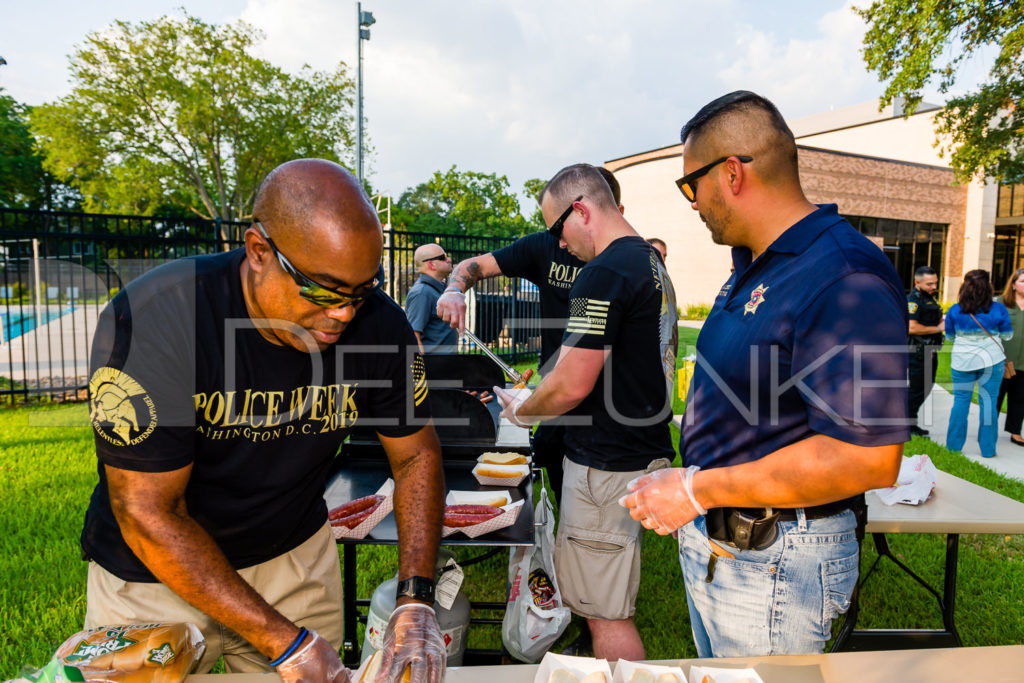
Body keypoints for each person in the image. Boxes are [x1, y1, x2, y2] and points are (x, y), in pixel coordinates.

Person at [82, 159, 446, 683]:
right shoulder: (156, 317)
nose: (344, 313)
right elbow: (148, 512)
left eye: (361, 291)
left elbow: (415, 455)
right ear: (259, 252)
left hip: (292, 557)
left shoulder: (379, 325)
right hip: (154, 576)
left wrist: (416, 599)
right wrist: (284, 642)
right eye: (322, 290)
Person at [622, 91, 908, 657]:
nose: (692, 204)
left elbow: (867, 458)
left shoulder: (841, 273)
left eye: (690, 185)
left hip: (778, 558)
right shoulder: (753, 263)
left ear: (730, 173)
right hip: (728, 543)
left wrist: (695, 488)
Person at [492, 163, 678, 662]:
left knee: (607, 616)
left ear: (581, 210)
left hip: (605, 462)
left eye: (558, 230)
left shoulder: (604, 272)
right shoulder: (650, 263)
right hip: (639, 449)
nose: (560, 245)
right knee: (608, 600)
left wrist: (523, 410)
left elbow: (572, 384)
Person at [436, 166, 625, 504]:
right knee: (551, 457)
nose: (562, 241)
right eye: (557, 232)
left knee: (599, 485)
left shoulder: (622, 265)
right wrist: (453, 289)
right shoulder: (544, 246)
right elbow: (475, 265)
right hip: (557, 383)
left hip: (608, 393)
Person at [944, 269, 1012, 458]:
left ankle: (953, 448)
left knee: (960, 402)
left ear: (964, 286)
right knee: (989, 403)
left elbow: (949, 337)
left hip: (962, 362)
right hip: (992, 360)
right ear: (988, 286)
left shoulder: (954, 310)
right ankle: (988, 450)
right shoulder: (999, 309)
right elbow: (1007, 335)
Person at [907, 265, 945, 435]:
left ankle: (909, 421)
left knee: (926, 386)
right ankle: (907, 423)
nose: (934, 287)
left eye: (935, 283)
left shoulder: (928, 298)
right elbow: (912, 328)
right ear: (917, 282)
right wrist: (939, 328)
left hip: (929, 350)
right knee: (918, 388)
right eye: (929, 284)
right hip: (918, 351)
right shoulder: (914, 301)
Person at [405, 244, 458, 353]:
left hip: (446, 365)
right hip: (434, 366)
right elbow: (413, 336)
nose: (449, 259)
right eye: (443, 257)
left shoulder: (439, 289)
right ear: (431, 264)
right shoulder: (422, 293)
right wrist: (422, 368)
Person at [997, 268, 1024, 447]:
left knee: (1020, 398)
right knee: (996, 397)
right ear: (1013, 284)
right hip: (1003, 360)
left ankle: (1015, 432)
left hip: (1023, 362)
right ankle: (988, 429)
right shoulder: (1001, 303)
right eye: (1022, 281)